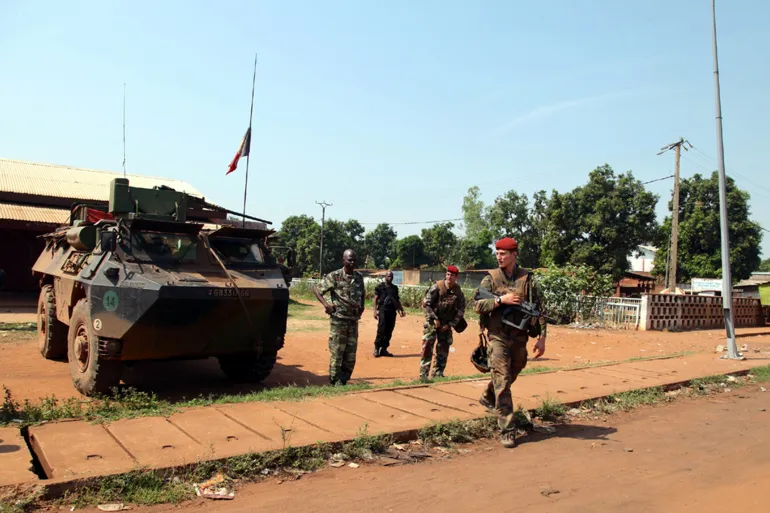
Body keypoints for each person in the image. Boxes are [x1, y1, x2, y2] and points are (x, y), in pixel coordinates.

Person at [473, 237, 547, 448]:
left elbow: (541, 310)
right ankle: (507, 429)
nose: (499, 257)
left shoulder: (528, 279)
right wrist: (499, 301)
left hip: (519, 337)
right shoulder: (491, 278)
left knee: (516, 368)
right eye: (497, 253)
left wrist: (542, 338)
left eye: (503, 253)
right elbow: (477, 305)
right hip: (497, 335)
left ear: (514, 255)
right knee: (503, 380)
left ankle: (488, 395)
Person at [313, 249, 365, 385]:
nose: (352, 262)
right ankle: (334, 380)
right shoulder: (335, 276)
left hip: (353, 322)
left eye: (354, 259)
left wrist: (362, 306)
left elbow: (362, 293)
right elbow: (317, 289)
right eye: (350, 259)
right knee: (337, 352)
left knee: (351, 354)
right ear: (343, 260)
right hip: (339, 320)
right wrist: (326, 305)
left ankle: (344, 380)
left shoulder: (359, 277)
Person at [420, 265, 466, 380]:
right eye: (448, 274)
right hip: (433, 322)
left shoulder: (458, 291)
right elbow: (426, 304)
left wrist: (450, 325)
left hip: (446, 324)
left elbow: (461, 310)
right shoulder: (437, 287)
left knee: (443, 348)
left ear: (456, 277)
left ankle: (438, 374)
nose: (449, 277)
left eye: (452, 275)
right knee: (427, 347)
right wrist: (434, 318)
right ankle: (423, 375)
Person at [373, 270, 405, 357]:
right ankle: (376, 348)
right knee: (381, 329)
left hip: (392, 311)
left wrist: (401, 309)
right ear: (385, 277)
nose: (390, 278)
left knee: (389, 330)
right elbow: (375, 299)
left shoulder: (394, 288)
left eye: (391, 276)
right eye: (388, 276)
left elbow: (397, 300)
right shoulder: (380, 287)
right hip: (383, 310)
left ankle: (384, 349)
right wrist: (375, 311)